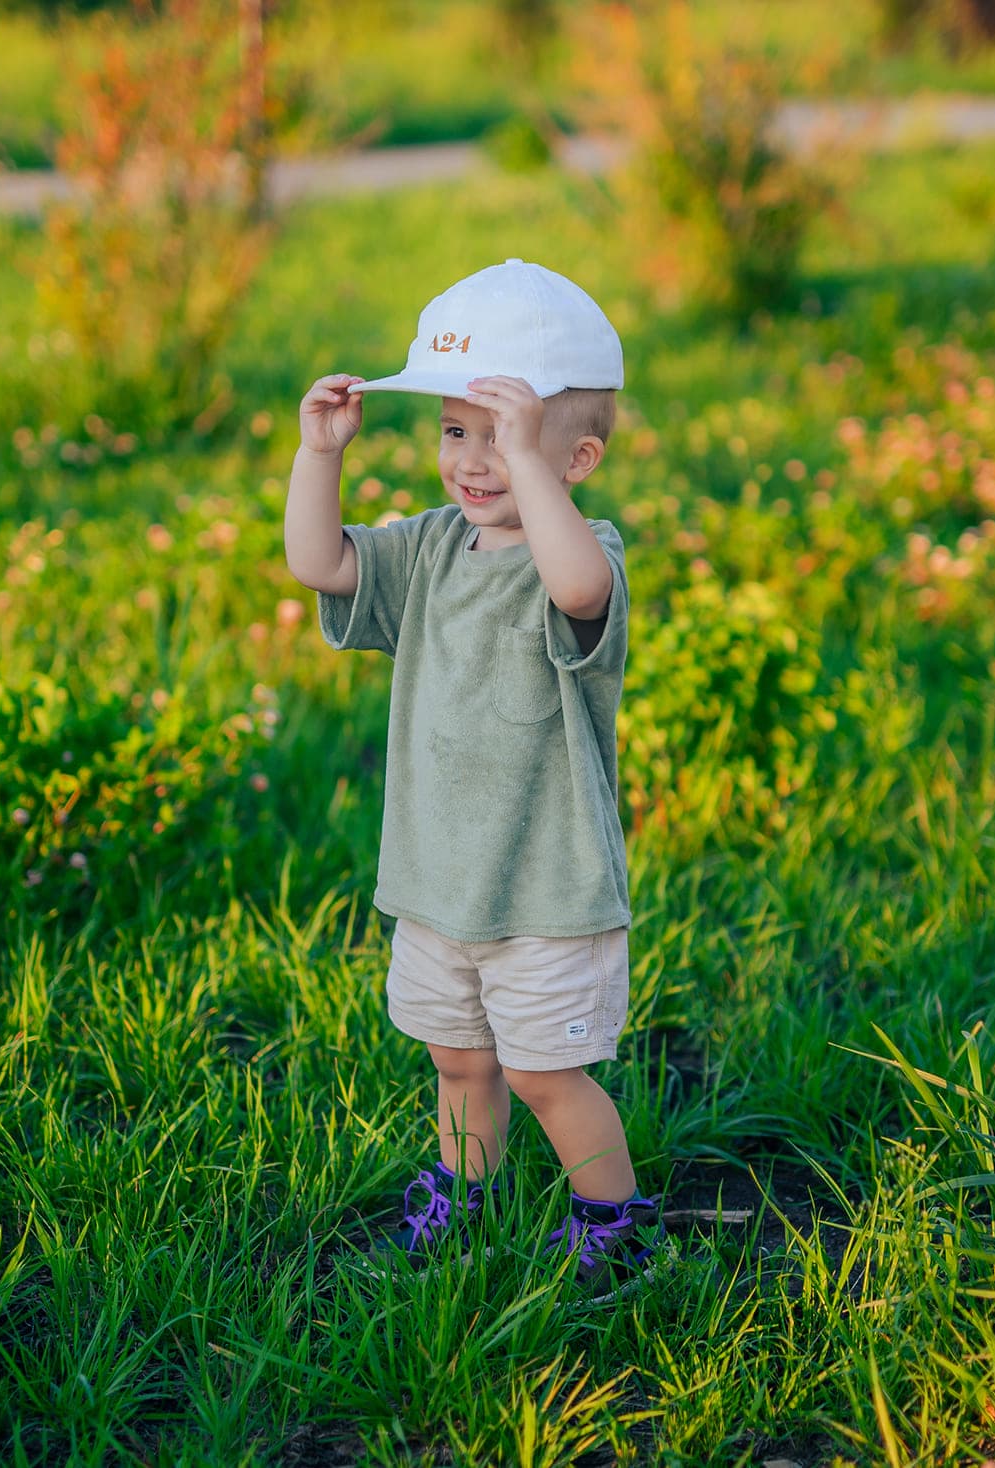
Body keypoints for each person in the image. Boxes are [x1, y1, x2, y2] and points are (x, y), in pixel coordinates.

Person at [283, 258, 667, 1306]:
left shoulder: (584, 555)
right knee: (460, 1065)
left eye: (503, 438)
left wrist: (532, 472)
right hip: (439, 882)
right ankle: (468, 1195)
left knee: (547, 1074)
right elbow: (320, 566)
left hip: (547, 889)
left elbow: (576, 583)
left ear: (576, 458)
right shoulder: (427, 549)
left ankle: (615, 1227)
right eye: (457, 432)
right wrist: (320, 458)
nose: (473, 460)